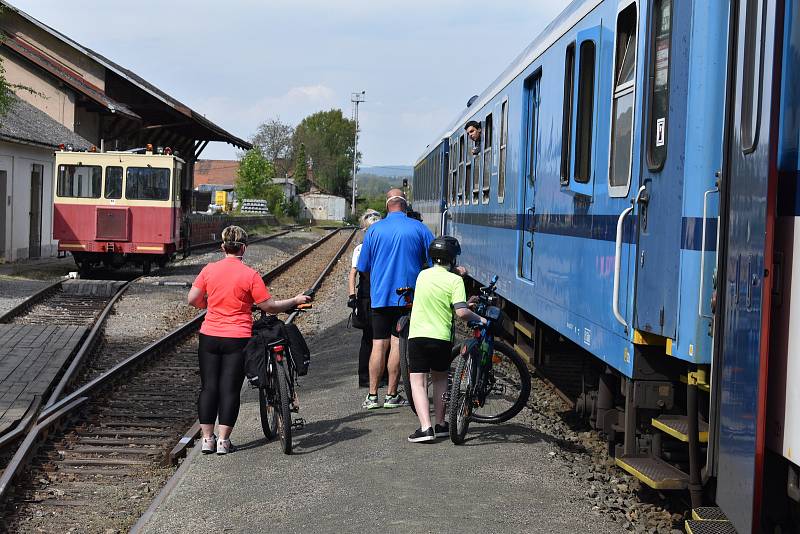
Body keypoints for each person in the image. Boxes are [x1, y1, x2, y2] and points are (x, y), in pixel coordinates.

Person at [188, 225, 311, 455]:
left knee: (208, 388)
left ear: (222, 247)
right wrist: (294, 300)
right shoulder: (249, 274)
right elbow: (268, 306)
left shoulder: (209, 269)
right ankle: (224, 442)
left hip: (209, 336)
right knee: (230, 389)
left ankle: (207, 440)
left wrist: (210, 306)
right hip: (238, 337)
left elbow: (193, 298)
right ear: (244, 247)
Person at [356, 189, 434, 409]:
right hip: (407, 297)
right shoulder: (419, 228)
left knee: (378, 344)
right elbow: (433, 261)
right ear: (405, 204)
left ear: (387, 205)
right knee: (398, 344)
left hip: (380, 297)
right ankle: (391, 394)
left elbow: (363, 268)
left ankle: (372, 396)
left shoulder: (374, 231)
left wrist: (379, 284)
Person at [406, 236, 486, 442]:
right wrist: (480, 319)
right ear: (453, 259)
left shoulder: (422, 276)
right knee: (441, 380)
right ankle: (441, 424)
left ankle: (425, 428)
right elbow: (460, 311)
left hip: (418, 336)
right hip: (441, 338)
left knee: (418, 382)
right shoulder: (455, 280)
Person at [348, 209, 382, 387]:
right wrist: (352, 295)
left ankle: (369, 376)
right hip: (368, 295)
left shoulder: (362, 248)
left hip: (369, 295)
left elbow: (353, 274)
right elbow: (354, 273)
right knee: (372, 337)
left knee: (372, 337)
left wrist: (352, 295)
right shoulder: (360, 249)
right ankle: (367, 376)